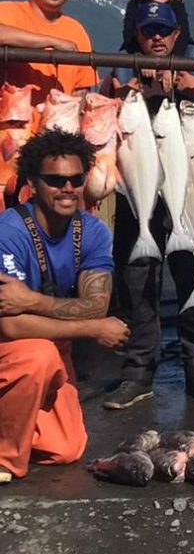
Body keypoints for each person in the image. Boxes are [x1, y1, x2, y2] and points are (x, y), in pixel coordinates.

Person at [101, 1, 194, 409]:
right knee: (137, 281)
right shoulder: (118, 73)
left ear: (176, 36)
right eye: (148, 30)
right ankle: (138, 373)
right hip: (136, 196)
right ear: (137, 35)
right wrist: (118, 100)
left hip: (188, 198)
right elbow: (98, 128)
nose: (156, 37)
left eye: (164, 31)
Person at [0, 129, 128, 483]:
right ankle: (6, 460)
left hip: (52, 348)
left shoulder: (94, 231)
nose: (68, 188)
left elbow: (97, 305)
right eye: (55, 180)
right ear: (32, 183)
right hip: (12, 350)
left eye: (76, 179)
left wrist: (32, 301)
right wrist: (91, 328)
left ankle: (15, 419)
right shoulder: (7, 232)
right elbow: (10, 327)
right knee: (36, 356)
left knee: (66, 449)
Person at [0, 0, 97, 102]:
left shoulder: (77, 30)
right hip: (11, 123)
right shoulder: (8, 11)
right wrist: (53, 42)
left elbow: (81, 89)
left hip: (60, 123)